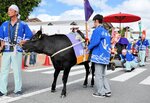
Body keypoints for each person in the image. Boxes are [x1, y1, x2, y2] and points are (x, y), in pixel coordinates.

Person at [0, 4, 32, 96]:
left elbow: (29, 35)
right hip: (6, 50)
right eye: (8, 10)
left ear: (16, 12)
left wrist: (24, 40)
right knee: (4, 71)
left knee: (17, 71)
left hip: (17, 50)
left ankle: (18, 89)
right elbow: (1, 36)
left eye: (10, 10)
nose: (8, 12)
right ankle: (2, 90)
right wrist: (1, 44)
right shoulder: (4, 24)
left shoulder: (23, 24)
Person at [86, 14, 111, 97]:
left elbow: (95, 42)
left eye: (94, 22)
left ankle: (101, 92)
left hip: (99, 55)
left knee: (98, 75)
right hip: (106, 55)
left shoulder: (97, 30)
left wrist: (88, 48)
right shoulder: (106, 32)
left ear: (96, 21)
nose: (94, 23)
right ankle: (107, 91)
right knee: (103, 75)